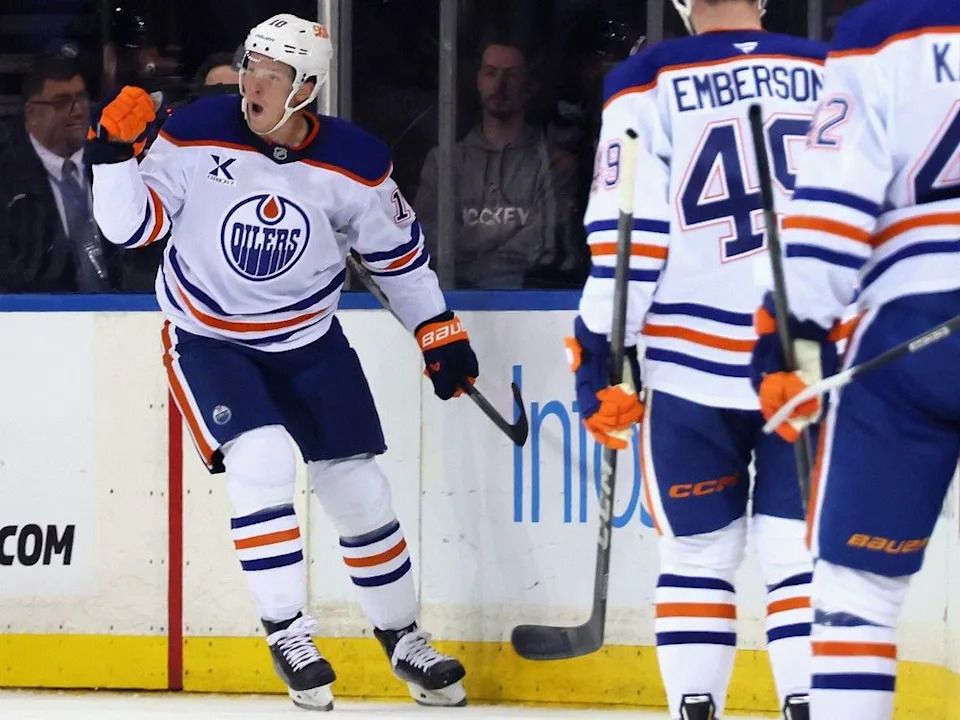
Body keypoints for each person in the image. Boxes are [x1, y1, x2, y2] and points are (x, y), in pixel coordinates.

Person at [87, 13, 477, 711]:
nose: (252, 81)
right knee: (262, 458)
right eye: (251, 64)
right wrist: (113, 156)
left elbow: (400, 261)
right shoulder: (195, 130)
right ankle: (288, 631)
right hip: (209, 336)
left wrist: (438, 331)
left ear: (307, 88)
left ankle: (404, 639)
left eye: (272, 72)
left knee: (360, 489)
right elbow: (129, 228)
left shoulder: (356, 162)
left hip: (308, 340)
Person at [568, 1, 827, 718]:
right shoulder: (829, 69)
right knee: (798, 560)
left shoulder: (647, 75)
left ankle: (696, 706)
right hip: (802, 360)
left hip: (689, 367)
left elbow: (631, 239)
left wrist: (598, 354)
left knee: (697, 561)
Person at [750, 2, 960, 718]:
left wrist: (784, 342)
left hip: (911, 330)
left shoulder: (885, 31)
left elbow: (832, 214)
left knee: (855, 600)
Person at [414, 38, 581, 288]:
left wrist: (469, 263)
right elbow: (429, 240)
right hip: (455, 300)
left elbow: (541, 247)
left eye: (511, 76)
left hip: (529, 301)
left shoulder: (555, 163)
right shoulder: (444, 161)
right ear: (479, 81)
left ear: (529, 86)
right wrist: (501, 231)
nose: (499, 85)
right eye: (490, 73)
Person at [0, 51, 115, 292]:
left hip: (126, 308)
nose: (78, 110)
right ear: (32, 113)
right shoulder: (7, 177)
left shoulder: (115, 156)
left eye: (82, 98)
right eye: (63, 102)